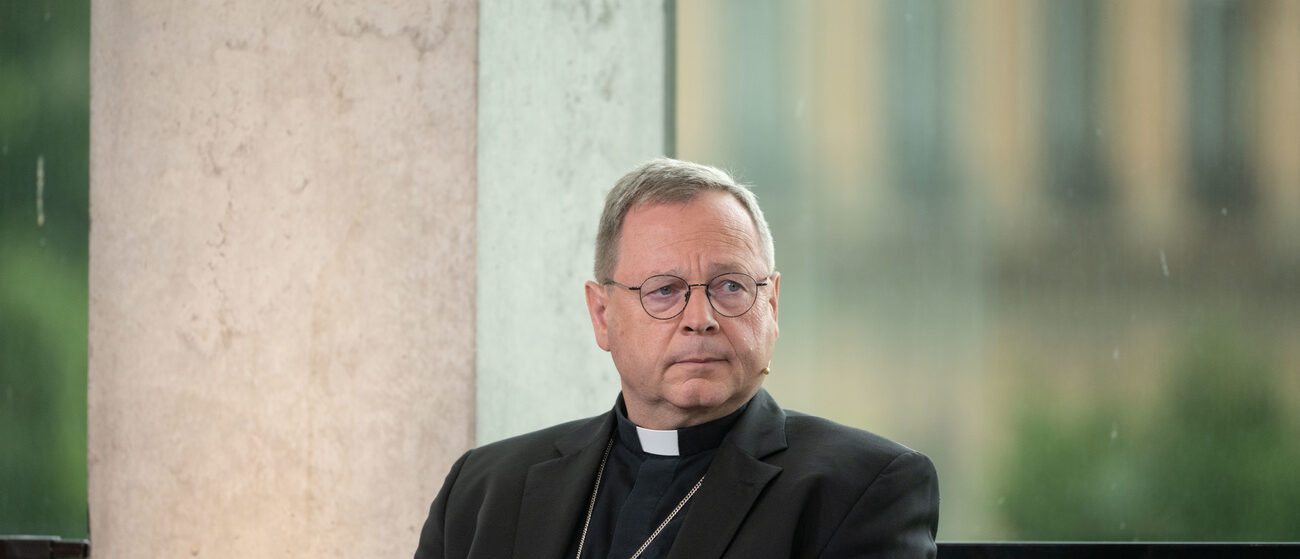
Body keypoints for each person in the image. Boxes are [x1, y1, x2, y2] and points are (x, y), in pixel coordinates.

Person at [415, 158, 939, 558]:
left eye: (730, 286)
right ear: (602, 315)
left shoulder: (860, 488)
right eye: (664, 291)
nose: (700, 317)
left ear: (771, 306)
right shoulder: (482, 490)